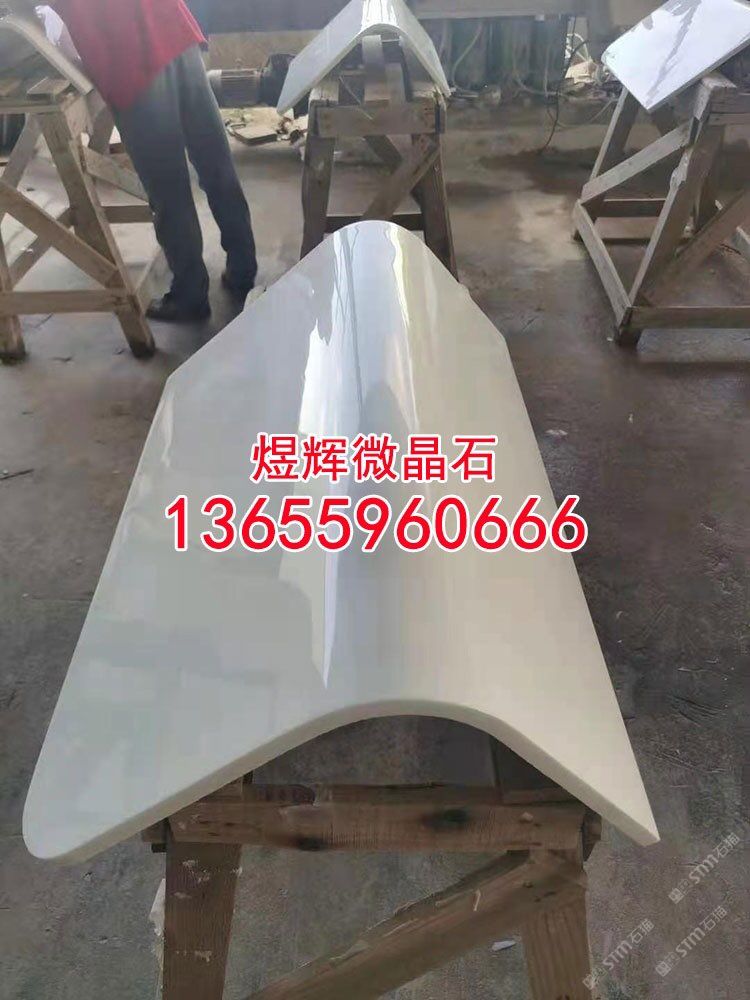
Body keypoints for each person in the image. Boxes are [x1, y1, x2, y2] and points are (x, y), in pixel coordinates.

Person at [31, 0, 258, 322]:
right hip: (174, 32)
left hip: (128, 55)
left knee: (168, 187)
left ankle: (189, 296)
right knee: (215, 162)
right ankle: (243, 267)